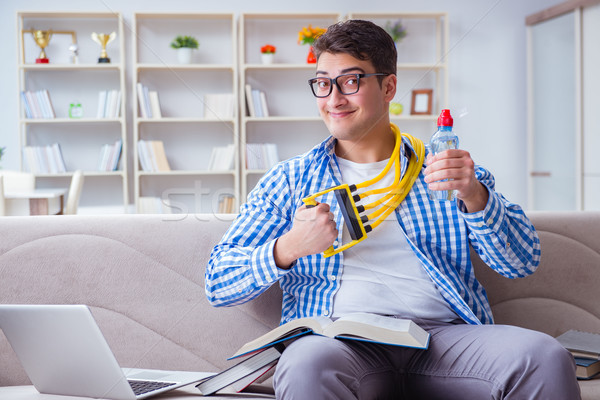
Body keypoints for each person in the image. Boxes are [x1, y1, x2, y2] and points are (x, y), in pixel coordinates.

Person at [205, 19, 580, 399]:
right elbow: (218, 282)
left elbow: (521, 261)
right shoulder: (288, 180)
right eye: (322, 82)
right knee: (305, 364)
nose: (333, 98)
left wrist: (476, 195)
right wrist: (289, 247)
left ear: (388, 87)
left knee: (543, 355)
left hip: (443, 340)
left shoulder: (445, 170)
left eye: (351, 81)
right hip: (340, 343)